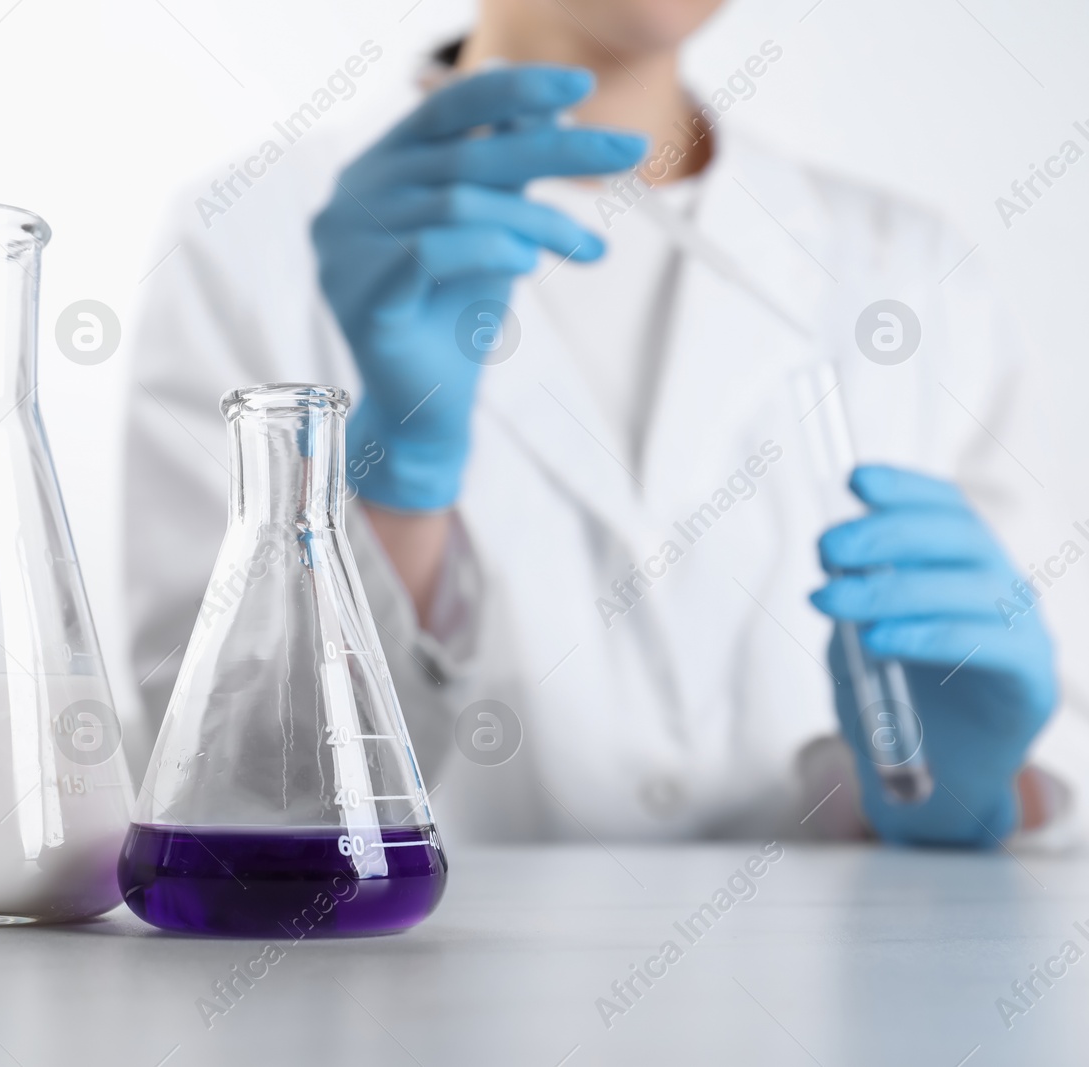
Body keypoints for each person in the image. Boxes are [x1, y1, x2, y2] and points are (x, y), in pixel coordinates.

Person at [124, 0, 1080, 846]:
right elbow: (231, 782)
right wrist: (398, 479)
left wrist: (957, 792)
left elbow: (1061, 755)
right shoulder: (247, 233)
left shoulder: (907, 267)